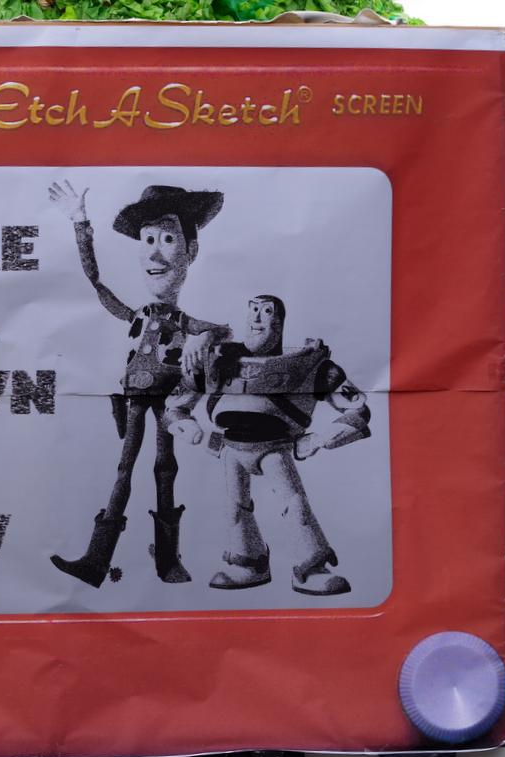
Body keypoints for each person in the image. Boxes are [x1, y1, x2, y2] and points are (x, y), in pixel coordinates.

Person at [48, 181, 230, 587]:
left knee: (165, 468)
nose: (154, 252)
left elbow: (222, 330)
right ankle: (97, 560)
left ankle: (168, 560)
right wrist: (80, 223)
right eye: (148, 239)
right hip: (133, 397)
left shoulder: (182, 321)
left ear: (191, 251)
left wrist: (202, 338)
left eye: (168, 239)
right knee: (125, 468)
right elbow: (97, 284)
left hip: (169, 401)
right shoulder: (139, 314)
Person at [164, 294, 370, 592]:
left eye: (266, 311)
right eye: (253, 310)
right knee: (234, 509)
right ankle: (249, 563)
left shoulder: (310, 365)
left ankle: (312, 567)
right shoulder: (215, 361)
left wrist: (323, 439)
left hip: (275, 448)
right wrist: (186, 427)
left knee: (295, 506)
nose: (257, 317)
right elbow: (173, 406)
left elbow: (358, 408)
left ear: (279, 321)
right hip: (230, 448)